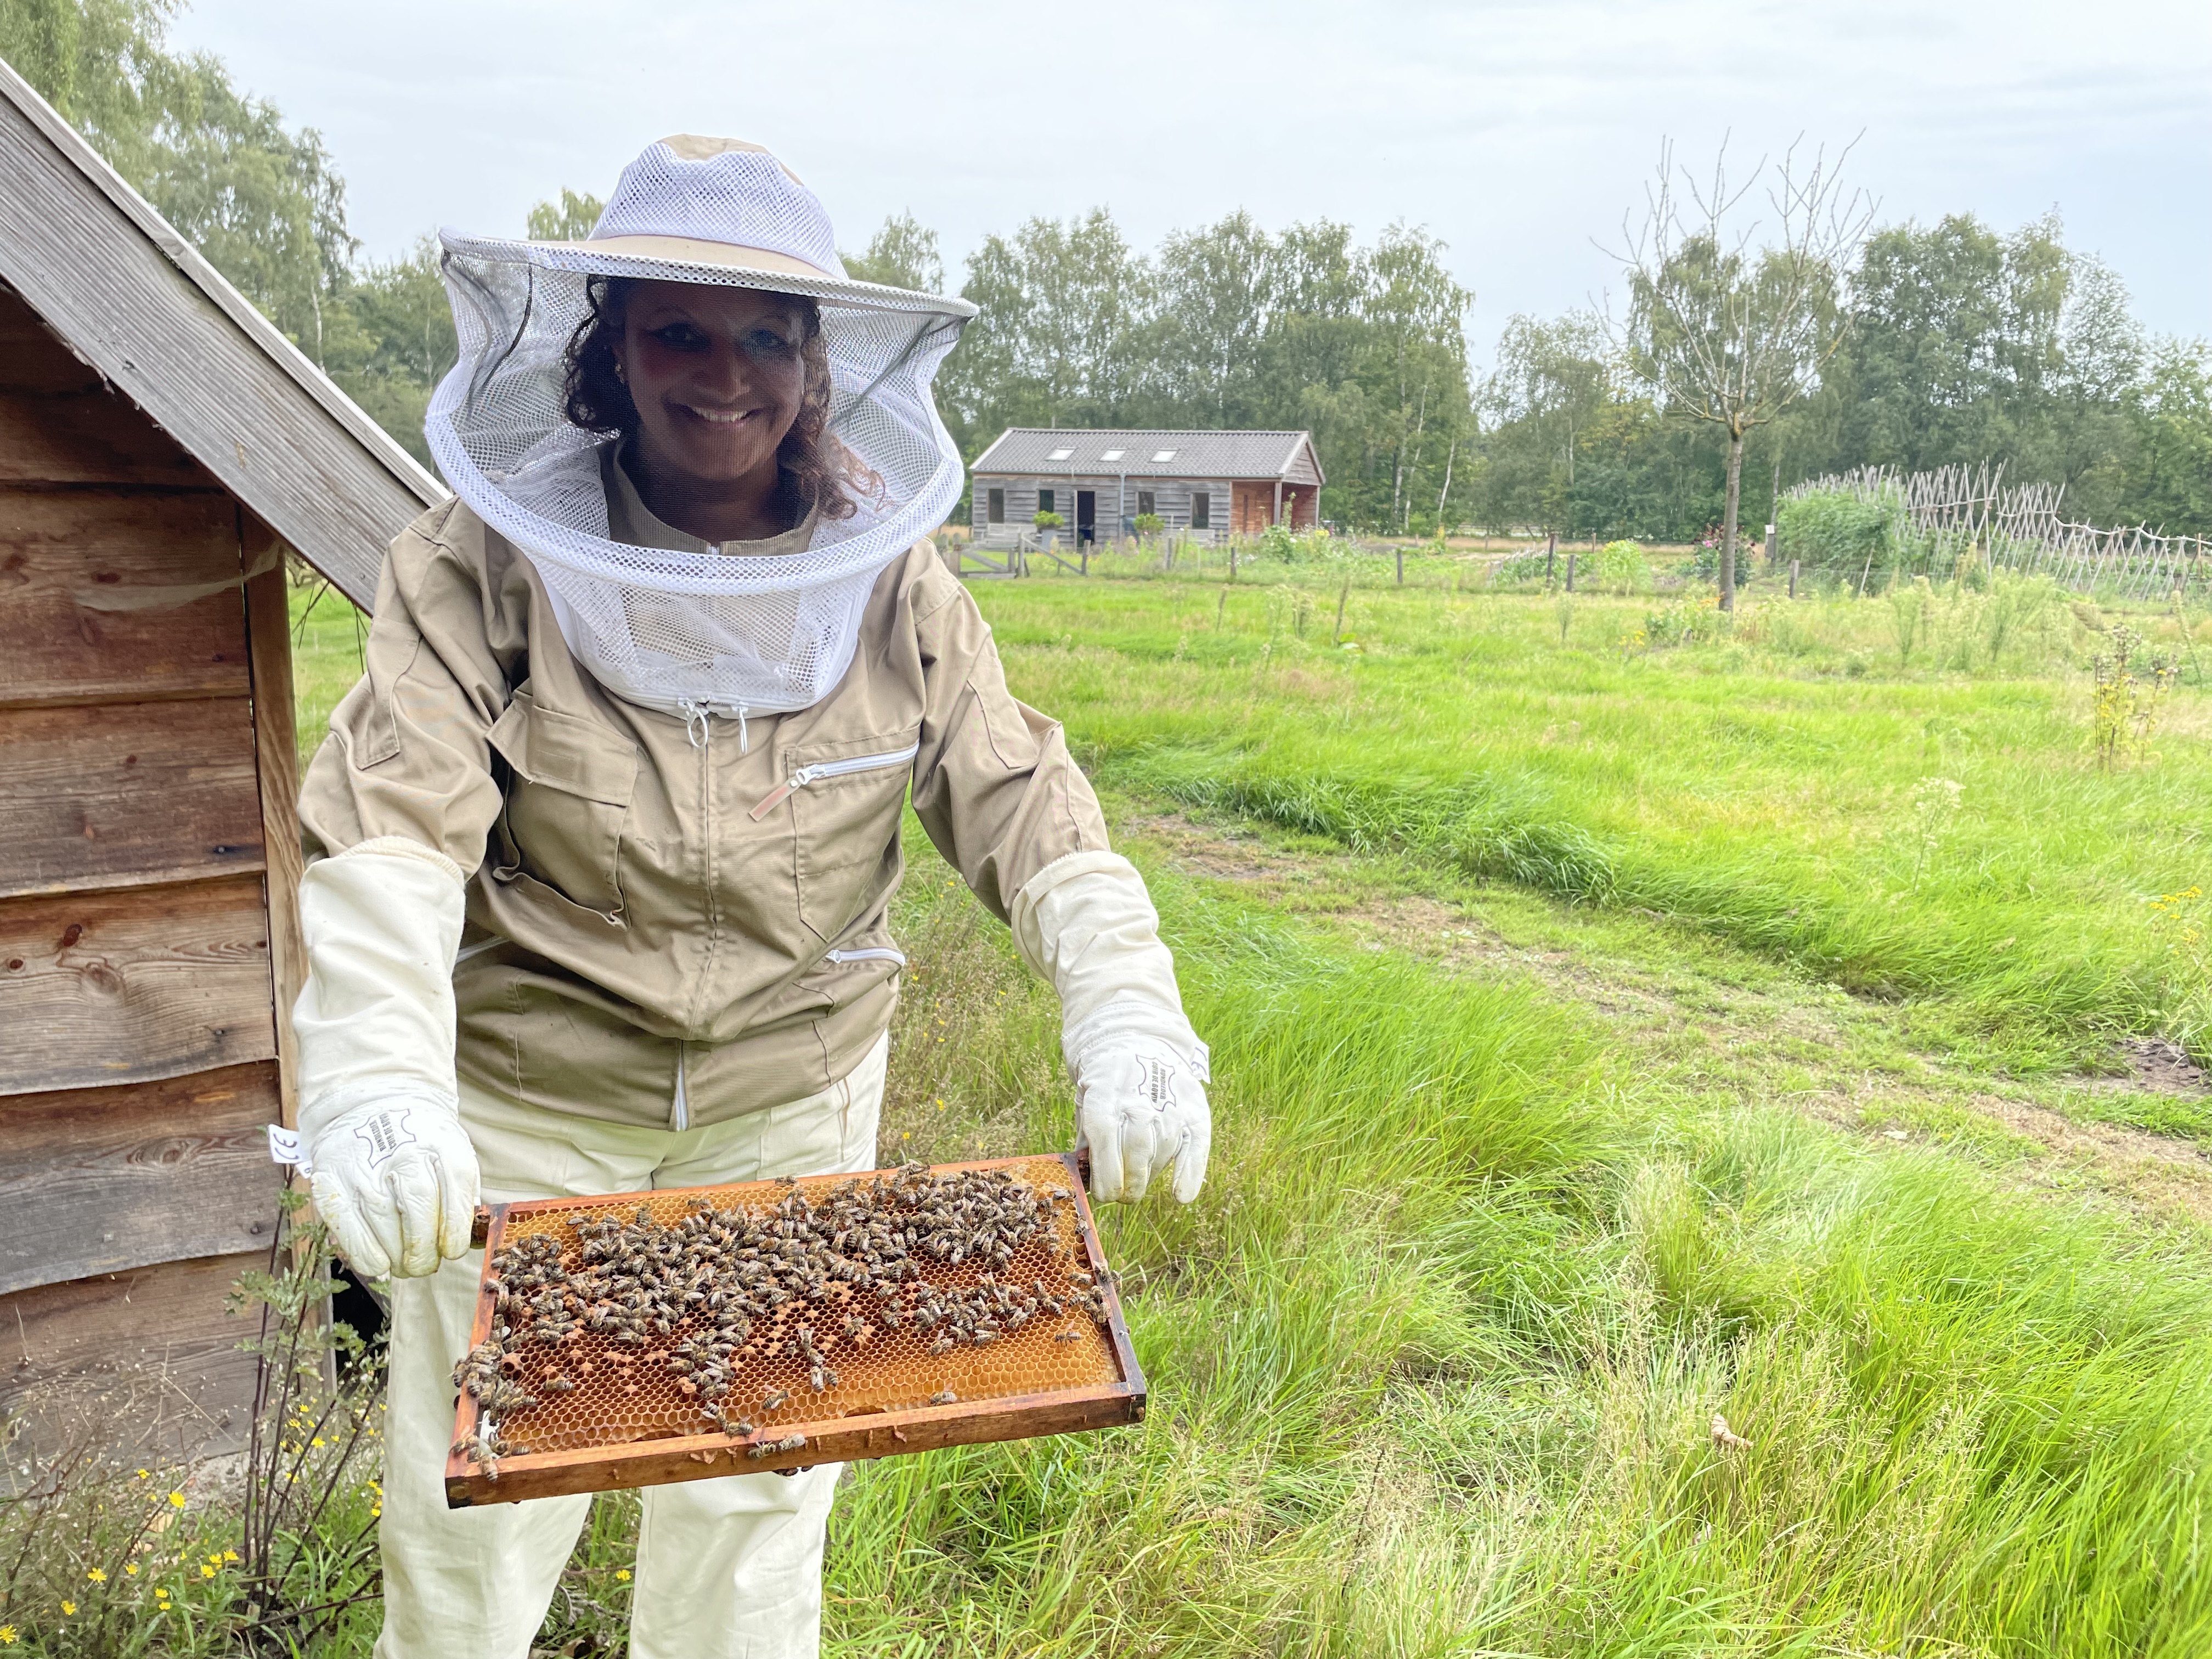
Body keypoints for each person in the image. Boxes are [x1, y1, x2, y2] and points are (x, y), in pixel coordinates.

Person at [288, 136, 1211, 1659]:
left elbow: (1017, 790)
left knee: (757, 1529)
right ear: (609, 353)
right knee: (472, 1548)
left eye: (768, 340)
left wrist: (1126, 1000)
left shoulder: (892, 576)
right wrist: (378, 1073)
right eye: (681, 333)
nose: (726, 379)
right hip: (538, 1111)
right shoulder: (482, 562)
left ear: (817, 363)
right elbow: (396, 820)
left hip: (792, 1106)